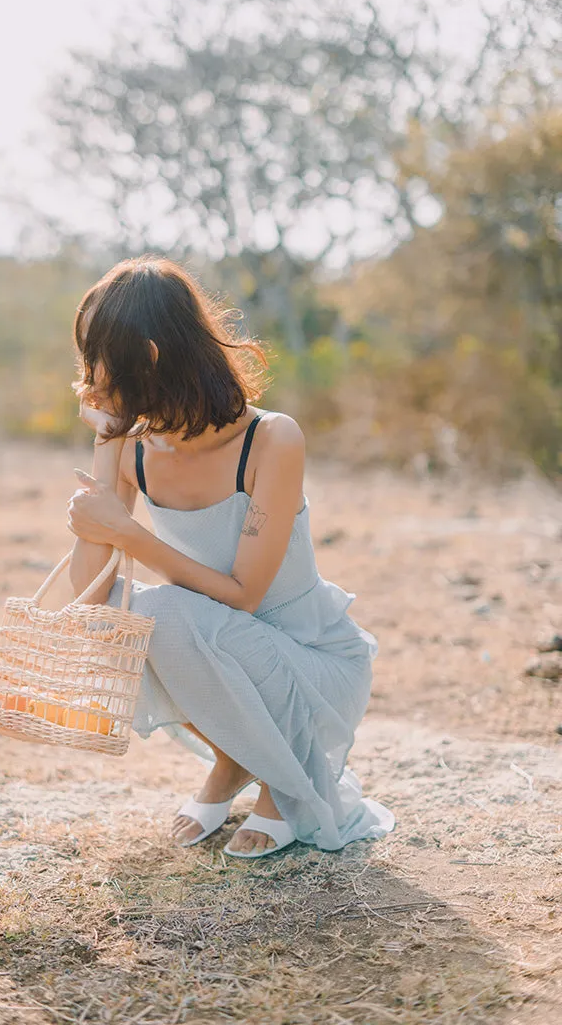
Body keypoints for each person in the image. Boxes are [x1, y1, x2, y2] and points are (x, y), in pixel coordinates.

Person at [66, 254, 395, 858]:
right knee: (118, 618)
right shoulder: (136, 450)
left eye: (100, 357)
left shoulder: (272, 438)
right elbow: (91, 595)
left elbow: (246, 593)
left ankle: (281, 783)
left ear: (151, 357)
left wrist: (132, 536)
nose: (90, 375)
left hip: (308, 662)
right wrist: (106, 446)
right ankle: (233, 760)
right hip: (220, 650)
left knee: (163, 613)